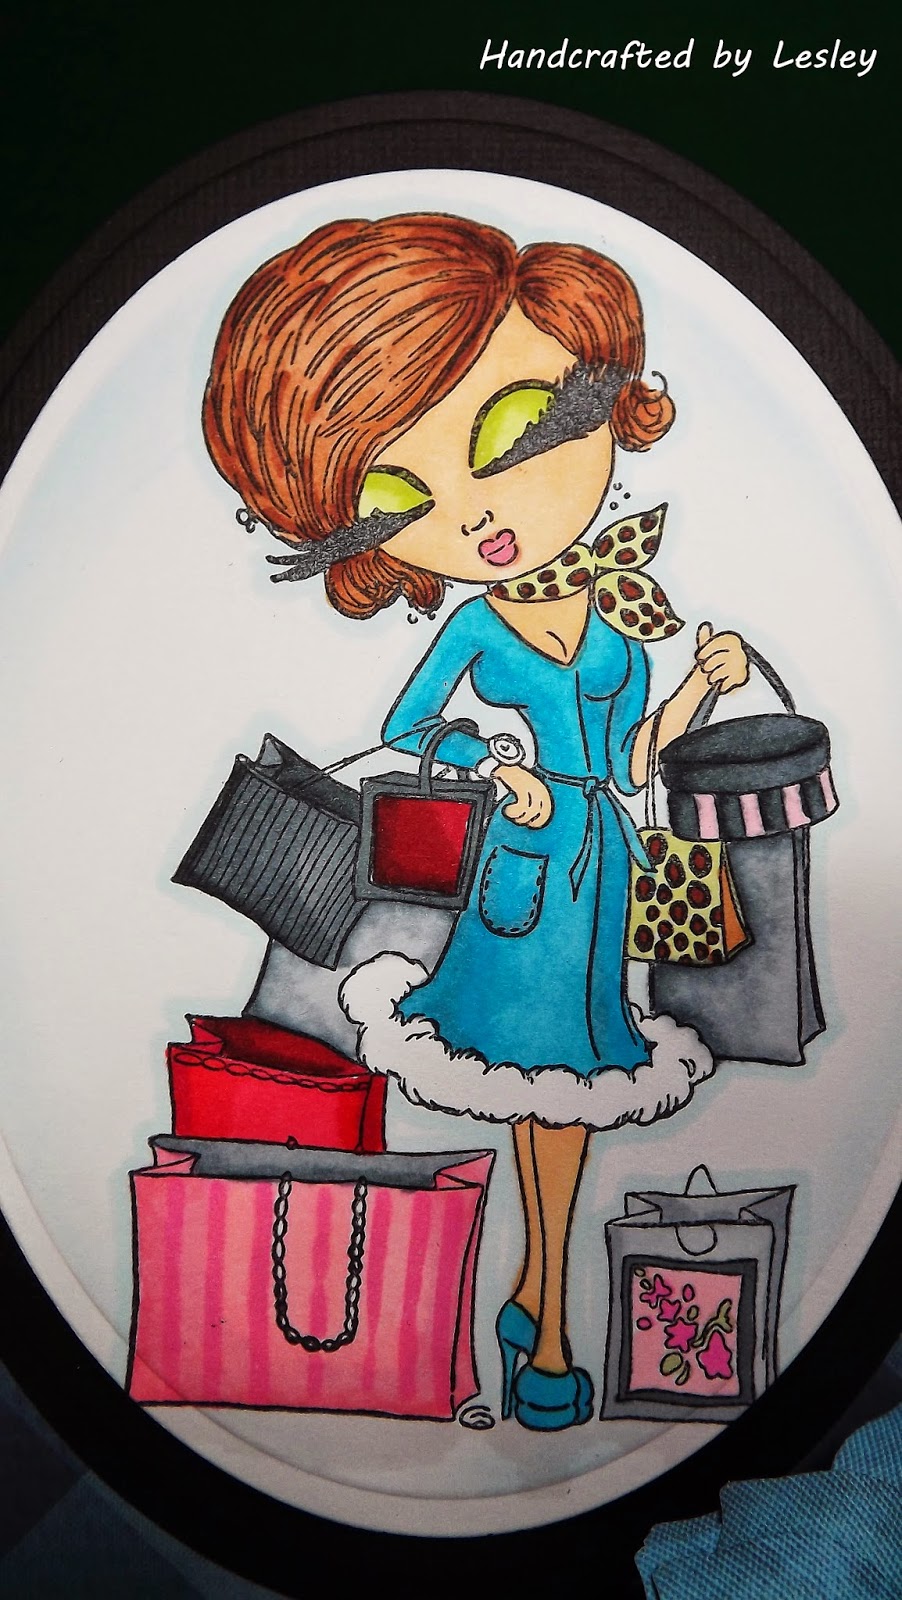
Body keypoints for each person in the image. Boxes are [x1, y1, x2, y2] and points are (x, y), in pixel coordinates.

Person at [202, 212, 750, 1430]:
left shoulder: (614, 622)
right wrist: (496, 768)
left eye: (509, 435)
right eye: (398, 499)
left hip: (600, 869)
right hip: (518, 876)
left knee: (575, 1088)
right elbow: (411, 727)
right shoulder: (475, 623)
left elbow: (632, 760)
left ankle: (535, 1298)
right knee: (538, 1085)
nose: (476, 515)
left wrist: (700, 691)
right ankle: (540, 1321)